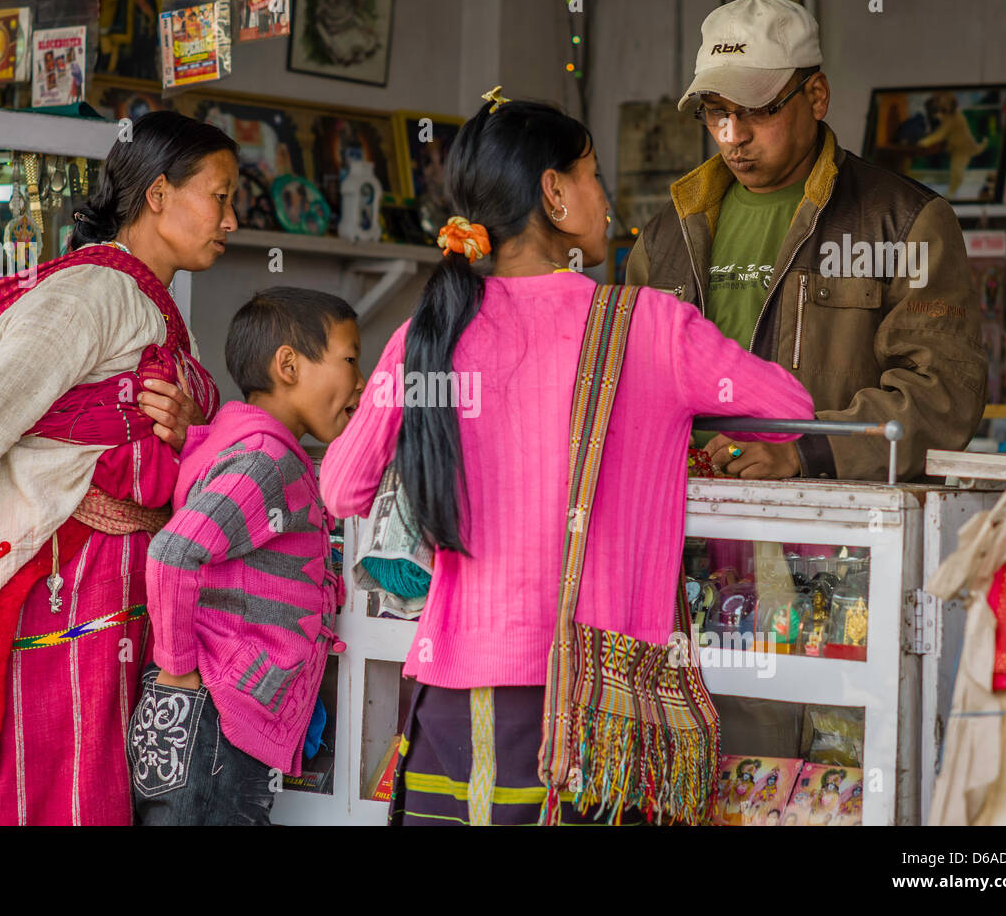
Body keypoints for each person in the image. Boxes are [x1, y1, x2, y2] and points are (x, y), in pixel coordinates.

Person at [319, 90, 814, 826]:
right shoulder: (650, 325)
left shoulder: (426, 336)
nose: (604, 199)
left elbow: (342, 487)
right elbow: (791, 407)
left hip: (458, 709)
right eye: (591, 176)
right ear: (553, 192)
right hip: (604, 708)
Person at [0, 111, 238, 826]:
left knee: (97, 779)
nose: (232, 218)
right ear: (159, 195)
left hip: (121, 580)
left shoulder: (150, 301)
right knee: (59, 785)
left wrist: (188, 412)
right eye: (220, 195)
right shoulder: (91, 294)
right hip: (67, 578)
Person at [626, 0, 987, 482]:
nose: (733, 135)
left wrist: (806, 451)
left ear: (816, 96)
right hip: (689, 525)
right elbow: (628, 386)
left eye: (757, 109)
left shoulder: (903, 222)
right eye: (715, 112)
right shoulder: (665, 235)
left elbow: (944, 395)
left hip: (835, 535)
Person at [134, 287, 363, 825]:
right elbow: (172, 553)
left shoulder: (236, 443)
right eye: (350, 359)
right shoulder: (266, 460)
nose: (359, 381)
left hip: (204, 720)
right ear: (288, 365)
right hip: (213, 723)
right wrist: (177, 671)